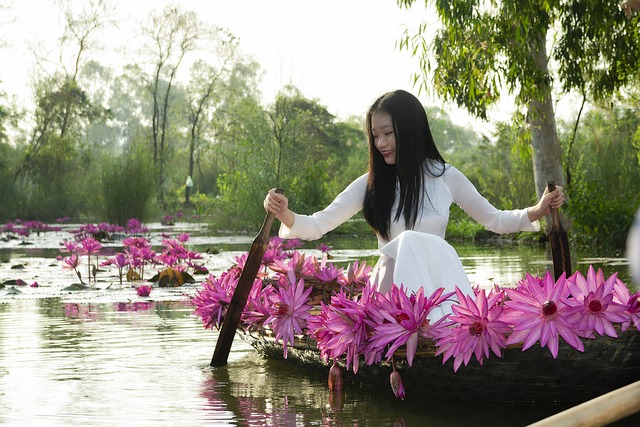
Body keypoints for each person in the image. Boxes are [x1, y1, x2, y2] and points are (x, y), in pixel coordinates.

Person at [264, 89, 564, 318]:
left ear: (410, 130)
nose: (380, 143)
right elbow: (318, 225)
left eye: (388, 133)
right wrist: (285, 213)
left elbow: (495, 220)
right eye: (375, 135)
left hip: (440, 289)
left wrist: (538, 209)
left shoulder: (445, 177)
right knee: (405, 242)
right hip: (388, 296)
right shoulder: (370, 183)